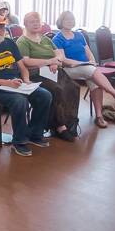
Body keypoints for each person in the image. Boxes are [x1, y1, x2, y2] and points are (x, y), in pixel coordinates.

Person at [0, 14, 52, 157]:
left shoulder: (9, 43)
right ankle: (19, 141)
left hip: (14, 84)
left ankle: (34, 134)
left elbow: (22, 66)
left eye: (1, 27)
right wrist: (7, 83)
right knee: (19, 100)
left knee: (45, 95)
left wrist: (26, 80)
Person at [52, 10, 115, 127]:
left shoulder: (79, 35)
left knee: (94, 79)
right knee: (92, 72)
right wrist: (83, 63)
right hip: (68, 69)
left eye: (72, 19)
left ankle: (99, 116)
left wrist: (92, 61)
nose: (70, 22)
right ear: (61, 21)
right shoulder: (57, 38)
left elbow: (88, 52)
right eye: (67, 20)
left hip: (85, 68)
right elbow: (63, 60)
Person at [17, 12, 79, 141]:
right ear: (25, 24)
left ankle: (70, 123)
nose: (35, 24)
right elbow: (26, 62)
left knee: (73, 87)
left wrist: (56, 62)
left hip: (52, 70)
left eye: (38, 21)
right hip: (35, 73)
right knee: (57, 90)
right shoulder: (22, 41)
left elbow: (60, 55)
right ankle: (59, 126)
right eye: (32, 21)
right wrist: (48, 61)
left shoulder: (45, 39)